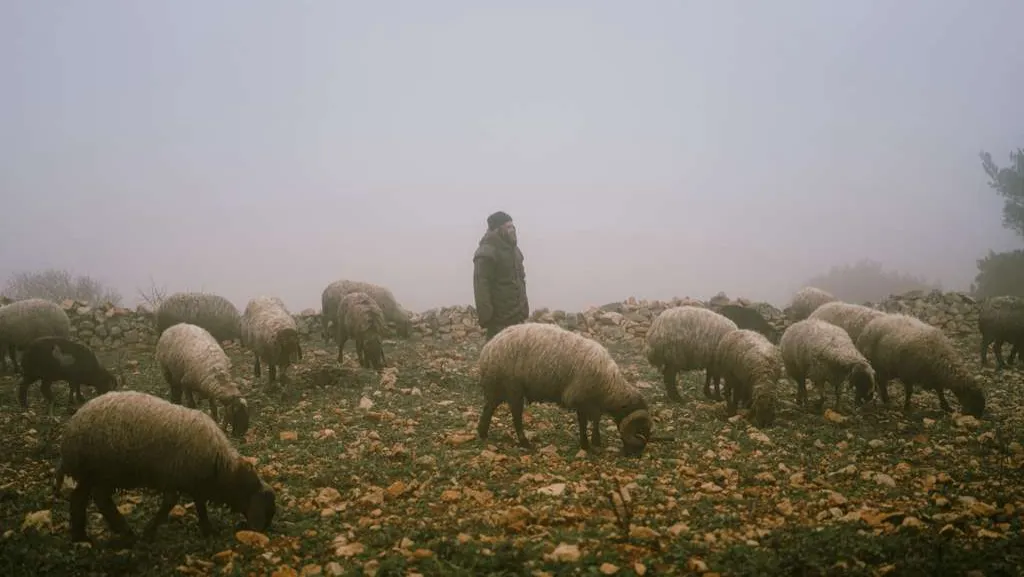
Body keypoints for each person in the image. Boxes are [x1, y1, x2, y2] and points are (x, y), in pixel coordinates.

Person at [473, 211, 529, 341]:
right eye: (508, 227)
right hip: (499, 321)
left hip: (518, 318)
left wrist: (524, 309)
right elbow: (481, 286)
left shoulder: (515, 251)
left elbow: (521, 279)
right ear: (497, 229)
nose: (512, 230)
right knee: (496, 353)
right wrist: (487, 318)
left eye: (513, 226)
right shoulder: (487, 252)